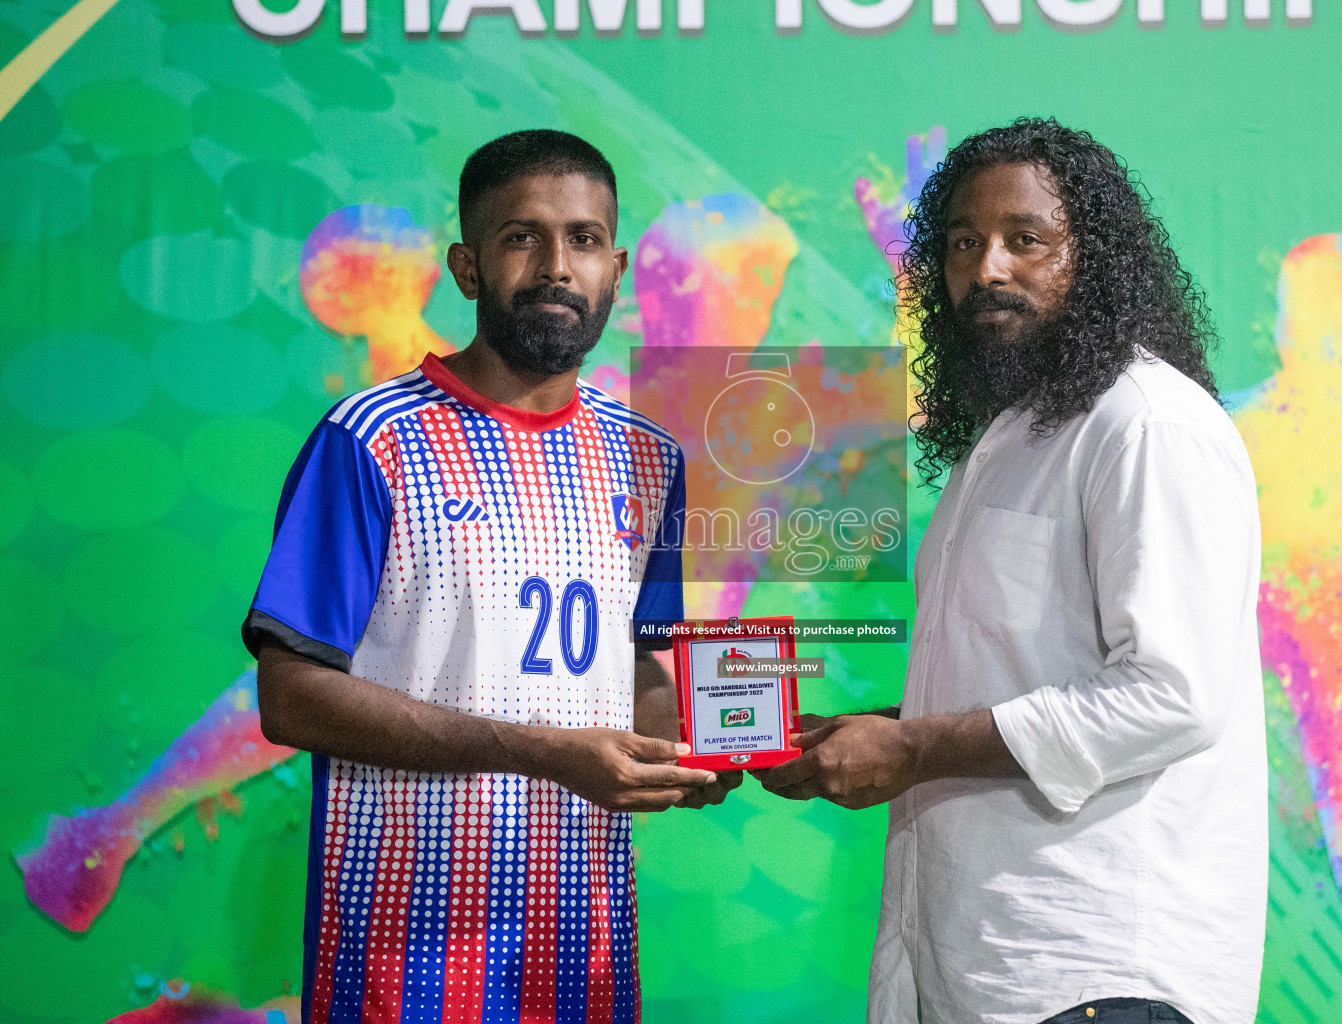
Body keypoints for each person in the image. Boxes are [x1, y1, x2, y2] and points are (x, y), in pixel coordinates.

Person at [759, 118, 1267, 1024]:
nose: (987, 268)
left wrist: (913, 748)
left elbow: (1172, 693)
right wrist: (878, 728)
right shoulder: (1008, 437)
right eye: (963, 242)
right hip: (984, 968)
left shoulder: (1147, 426)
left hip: (1100, 976)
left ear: (1094, 257)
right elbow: (1033, 681)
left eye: (1025, 240)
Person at [245, 129, 739, 1024]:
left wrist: (721, 747)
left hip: (582, 957)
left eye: (584, 240)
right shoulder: (370, 440)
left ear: (617, 269)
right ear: (467, 268)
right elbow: (290, 697)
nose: (558, 266)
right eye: (524, 238)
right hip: (401, 958)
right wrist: (541, 750)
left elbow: (638, 670)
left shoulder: (650, 460)